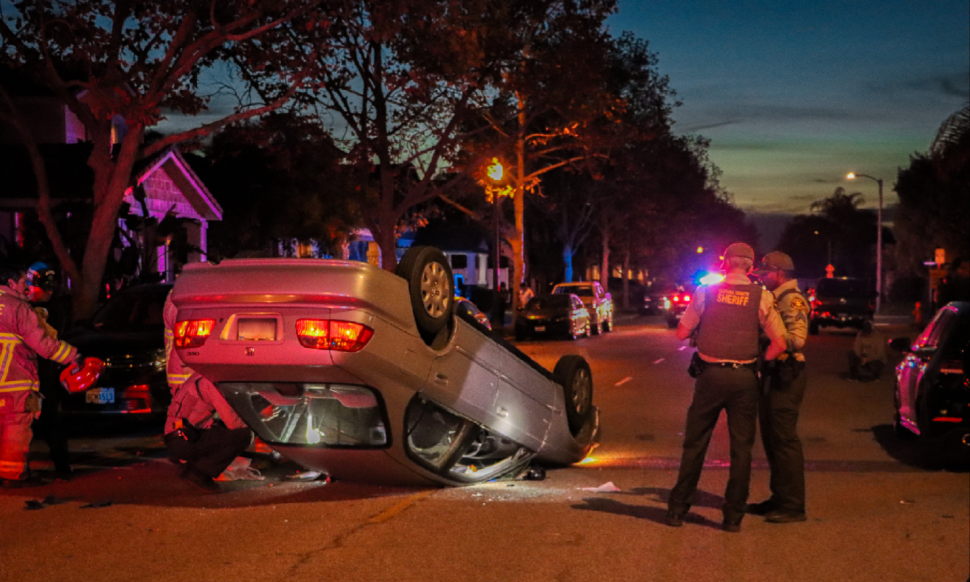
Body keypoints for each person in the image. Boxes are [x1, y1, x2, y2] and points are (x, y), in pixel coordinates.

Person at [665, 243, 787, 532]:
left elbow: (682, 332)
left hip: (710, 377)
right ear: (750, 266)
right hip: (744, 377)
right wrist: (759, 361)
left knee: (695, 444)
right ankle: (733, 517)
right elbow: (780, 343)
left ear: (725, 263)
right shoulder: (762, 297)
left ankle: (677, 510)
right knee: (741, 449)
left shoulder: (706, 292)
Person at [163, 290, 252, 493]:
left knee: (223, 430)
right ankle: (199, 473)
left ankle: (193, 468)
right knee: (242, 435)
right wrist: (257, 420)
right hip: (182, 436)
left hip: (181, 432)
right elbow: (233, 421)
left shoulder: (209, 373)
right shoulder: (212, 381)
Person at [0, 262, 79, 488]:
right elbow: (45, 344)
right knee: (15, 429)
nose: (27, 288)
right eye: (25, 282)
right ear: (12, 283)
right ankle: (13, 475)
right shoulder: (18, 308)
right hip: (15, 379)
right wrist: (74, 356)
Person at [749, 251, 811, 523]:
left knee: (784, 440)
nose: (762, 277)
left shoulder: (791, 299)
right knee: (773, 439)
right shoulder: (776, 298)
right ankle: (780, 497)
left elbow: (797, 339)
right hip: (776, 372)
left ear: (778, 272)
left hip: (787, 373)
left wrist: (767, 336)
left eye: (765, 273)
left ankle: (793, 505)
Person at [27, 262, 75, 480]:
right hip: (20, 373)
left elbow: (50, 340)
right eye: (43, 287)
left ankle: (62, 466)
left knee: (51, 420)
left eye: (50, 288)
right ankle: (18, 467)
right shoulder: (18, 306)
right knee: (17, 425)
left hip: (43, 373)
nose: (47, 292)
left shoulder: (55, 309)